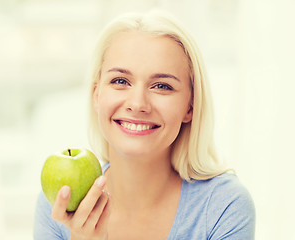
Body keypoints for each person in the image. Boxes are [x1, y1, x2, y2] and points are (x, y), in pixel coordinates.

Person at [34, 10, 255, 240]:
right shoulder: (61, 202)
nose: (138, 104)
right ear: (96, 94)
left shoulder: (223, 206)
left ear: (190, 106)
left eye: (161, 86)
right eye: (120, 81)